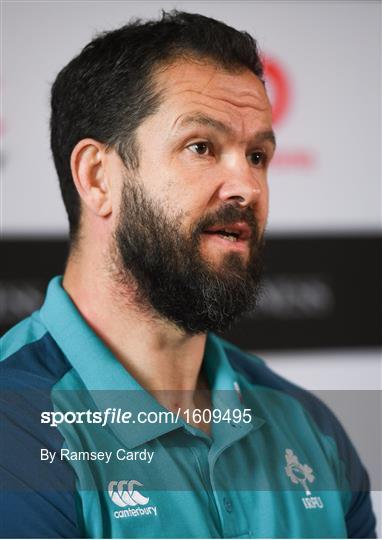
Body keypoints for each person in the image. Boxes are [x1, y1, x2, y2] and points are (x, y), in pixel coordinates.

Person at [0, 10, 376, 539]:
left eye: (258, 156)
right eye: (202, 147)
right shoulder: (13, 424)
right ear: (97, 176)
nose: (247, 186)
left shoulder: (310, 428)